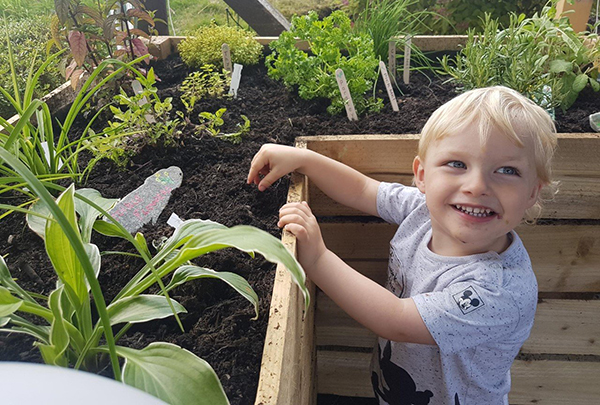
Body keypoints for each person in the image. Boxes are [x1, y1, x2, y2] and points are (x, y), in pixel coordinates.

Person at [247, 86, 557, 404]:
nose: (477, 186)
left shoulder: (498, 290)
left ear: (533, 192)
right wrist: (305, 160)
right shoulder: (426, 210)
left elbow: (396, 320)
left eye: (506, 171)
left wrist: (317, 260)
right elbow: (364, 190)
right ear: (422, 175)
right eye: (456, 164)